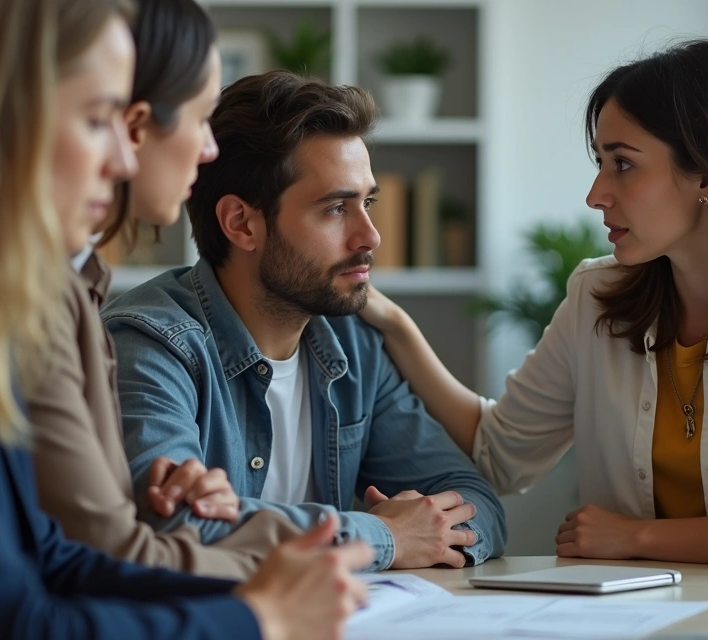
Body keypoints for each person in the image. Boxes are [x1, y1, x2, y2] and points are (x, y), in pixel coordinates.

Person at [0, 1, 369, 638]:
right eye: (99, 116)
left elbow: (48, 556)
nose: (125, 158)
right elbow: (4, 621)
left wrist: (267, 587)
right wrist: (257, 618)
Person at [359, 39, 708, 569]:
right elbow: (500, 457)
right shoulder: (595, 299)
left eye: (623, 164)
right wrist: (397, 325)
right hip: (628, 618)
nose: (596, 194)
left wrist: (635, 537)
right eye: (600, 162)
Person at [101, 70, 507, 572]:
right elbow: (173, 530)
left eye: (368, 202)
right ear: (241, 223)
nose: (371, 236)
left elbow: (476, 503)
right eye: (337, 208)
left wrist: (424, 532)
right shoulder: (150, 345)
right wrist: (384, 536)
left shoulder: (353, 346)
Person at [26, 0, 301, 581]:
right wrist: (337, 544)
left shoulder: (75, 288)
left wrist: (156, 508)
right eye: (103, 119)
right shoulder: (77, 311)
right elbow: (94, 559)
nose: (209, 150)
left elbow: (97, 540)